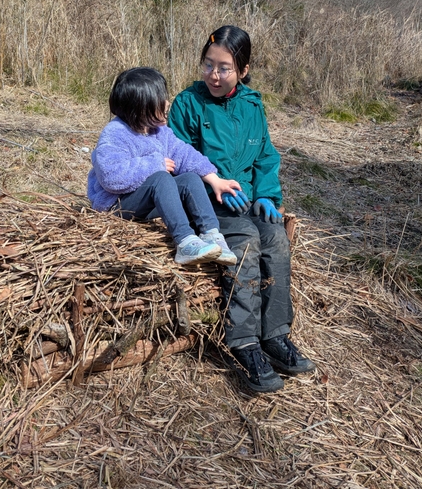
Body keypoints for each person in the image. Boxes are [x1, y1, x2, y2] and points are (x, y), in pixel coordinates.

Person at [168, 26, 316, 393]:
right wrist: (212, 184)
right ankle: (245, 343)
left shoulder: (252, 105)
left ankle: (276, 336)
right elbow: (179, 159)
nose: (214, 75)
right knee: (247, 240)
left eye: (224, 68)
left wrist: (266, 194)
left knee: (276, 238)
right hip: (206, 203)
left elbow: (265, 154)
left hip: (247, 200)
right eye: (208, 65)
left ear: (244, 69)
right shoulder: (188, 103)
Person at [87, 66, 241, 266]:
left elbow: (183, 153)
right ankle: (185, 242)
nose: (167, 103)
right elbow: (110, 177)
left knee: (190, 178)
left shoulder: (157, 131)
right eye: (160, 99)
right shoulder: (114, 133)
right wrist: (154, 164)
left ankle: (211, 234)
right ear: (141, 107)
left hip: (143, 203)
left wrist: (214, 180)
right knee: (161, 178)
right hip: (116, 205)